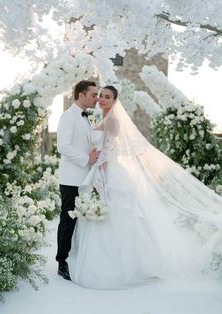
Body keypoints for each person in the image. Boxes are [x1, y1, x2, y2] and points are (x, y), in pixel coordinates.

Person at [67, 85, 222, 289]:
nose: (102, 99)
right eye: (100, 96)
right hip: (98, 169)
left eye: (107, 97)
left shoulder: (112, 121)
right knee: (103, 216)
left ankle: (124, 267)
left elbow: (109, 151)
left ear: (114, 101)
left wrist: (100, 176)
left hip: (108, 172)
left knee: (114, 214)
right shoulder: (99, 117)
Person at [56, 80, 100, 280]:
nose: (96, 98)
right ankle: (61, 261)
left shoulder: (86, 118)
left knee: (82, 220)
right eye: (93, 94)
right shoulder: (68, 116)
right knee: (68, 220)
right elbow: (63, 146)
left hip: (85, 178)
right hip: (71, 178)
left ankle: (77, 256)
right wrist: (86, 158)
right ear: (81, 95)